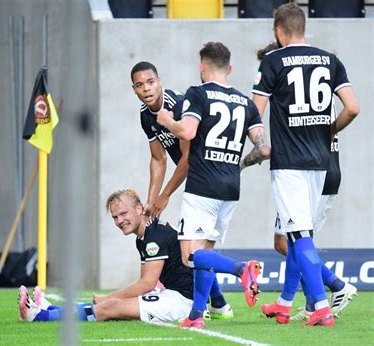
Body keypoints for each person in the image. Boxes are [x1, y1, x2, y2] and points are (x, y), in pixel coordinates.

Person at [252, 3, 359, 326]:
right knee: (298, 234)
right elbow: (352, 108)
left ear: (279, 31)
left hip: (289, 163)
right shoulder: (330, 60)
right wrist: (329, 130)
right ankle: (296, 303)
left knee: (298, 235)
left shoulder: (273, 61)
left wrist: (260, 145)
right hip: (321, 161)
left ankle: (322, 306)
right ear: (304, 28)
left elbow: (254, 111)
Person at [157, 42, 271, 329]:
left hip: (202, 185)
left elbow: (187, 130)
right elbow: (264, 148)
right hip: (231, 187)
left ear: (202, 67)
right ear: (229, 68)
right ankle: (197, 315)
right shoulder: (246, 102)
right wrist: (241, 163)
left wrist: (167, 120)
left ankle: (241, 269)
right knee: (205, 251)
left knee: (190, 256)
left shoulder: (197, 93)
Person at [18, 189, 194, 323]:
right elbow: (146, 282)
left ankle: (40, 316)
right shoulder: (144, 236)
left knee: (112, 306)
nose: (119, 221)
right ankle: (50, 309)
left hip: (183, 301)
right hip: (171, 294)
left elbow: (147, 284)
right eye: (115, 217)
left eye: (124, 213)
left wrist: (110, 297)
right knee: (112, 304)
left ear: (140, 208)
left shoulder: (154, 237)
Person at [131, 61, 190, 219]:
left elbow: (188, 158)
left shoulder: (178, 105)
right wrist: (151, 202)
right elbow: (158, 159)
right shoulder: (145, 115)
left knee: (193, 240)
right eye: (139, 85)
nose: (146, 89)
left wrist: (164, 195)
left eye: (150, 82)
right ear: (134, 89)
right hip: (194, 179)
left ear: (159, 81)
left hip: (207, 173)